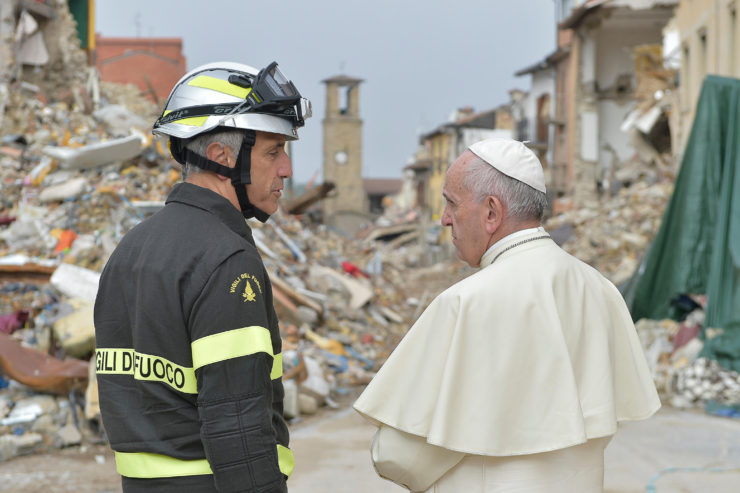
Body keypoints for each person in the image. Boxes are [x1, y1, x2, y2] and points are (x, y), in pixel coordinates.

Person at [354, 138, 661, 492]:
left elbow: (400, 457)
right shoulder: (600, 289)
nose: (444, 219)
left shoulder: (465, 303)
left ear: (491, 212)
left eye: (451, 204)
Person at [94, 60, 311, 492]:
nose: (286, 169)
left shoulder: (130, 249)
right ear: (221, 157)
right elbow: (239, 431)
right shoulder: (227, 261)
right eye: (273, 151)